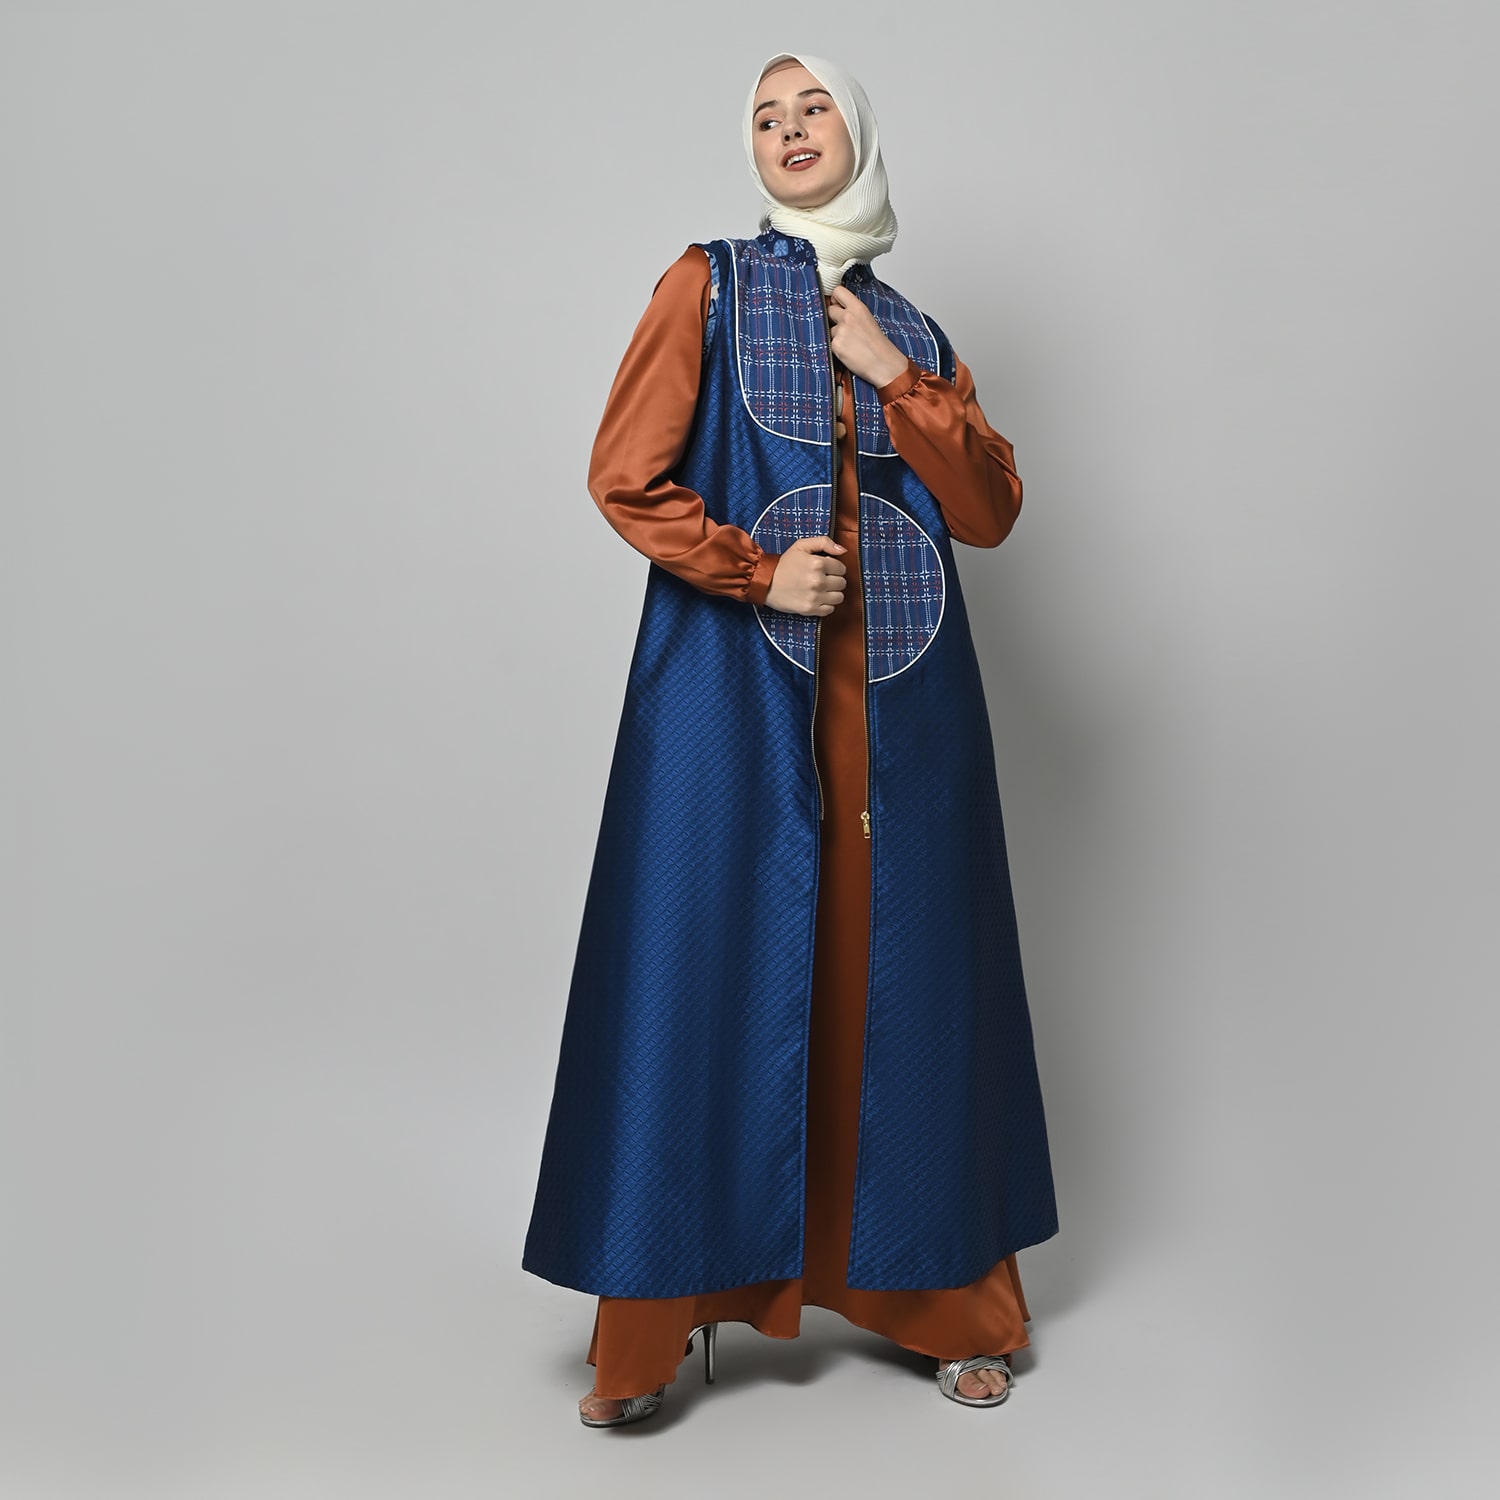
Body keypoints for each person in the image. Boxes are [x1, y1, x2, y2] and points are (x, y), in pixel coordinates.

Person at [522, 51, 1059, 1428]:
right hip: (731, 697)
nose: (789, 128)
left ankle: (947, 1304)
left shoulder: (913, 330)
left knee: (907, 984)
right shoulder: (703, 285)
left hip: (903, 711)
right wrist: (759, 573)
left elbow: (990, 509)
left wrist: (893, 375)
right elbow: (624, 475)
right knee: (710, 966)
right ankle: (652, 1326)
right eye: (766, 116)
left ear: (857, 131)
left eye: (813, 105)